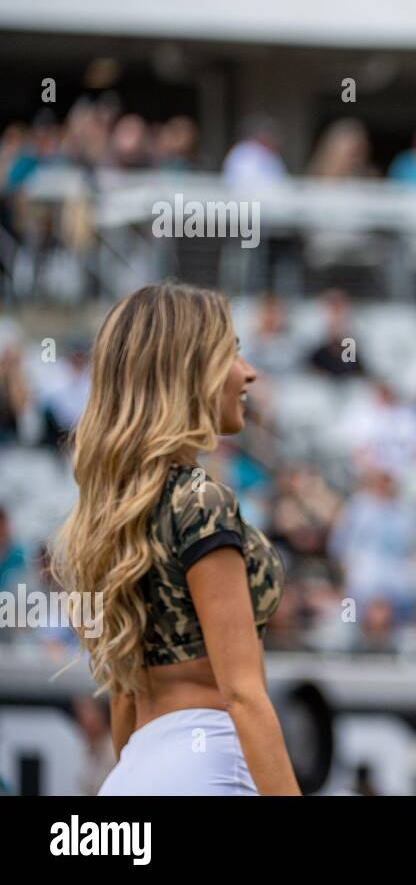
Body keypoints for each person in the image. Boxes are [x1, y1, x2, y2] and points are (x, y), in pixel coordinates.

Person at [51, 282, 300, 795]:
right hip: (211, 766)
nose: (248, 372)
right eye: (231, 353)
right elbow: (244, 695)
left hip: (136, 771)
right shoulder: (200, 502)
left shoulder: (115, 508)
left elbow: (124, 697)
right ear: (189, 371)